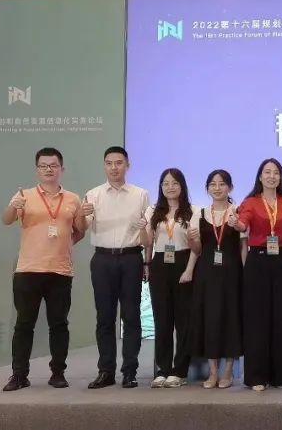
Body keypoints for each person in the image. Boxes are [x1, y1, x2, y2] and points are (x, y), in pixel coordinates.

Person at [1, 147, 84, 391]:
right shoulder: (23, 195)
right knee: (24, 324)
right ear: (37, 170)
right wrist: (13, 206)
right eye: (43, 166)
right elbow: (6, 220)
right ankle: (19, 375)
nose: (49, 169)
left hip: (60, 270)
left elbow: (80, 230)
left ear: (61, 169)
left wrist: (66, 241)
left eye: (53, 165)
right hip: (28, 269)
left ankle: (58, 373)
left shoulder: (73, 199)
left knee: (59, 324)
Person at [77, 146, 150, 389]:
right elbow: (83, 227)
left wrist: (147, 261)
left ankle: (129, 371)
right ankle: (106, 371)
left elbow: (147, 231)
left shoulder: (140, 194)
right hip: (102, 259)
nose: (114, 168)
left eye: (119, 163)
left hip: (131, 258)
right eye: (109, 163)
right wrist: (81, 215)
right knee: (104, 318)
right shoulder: (93, 194)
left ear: (127, 165)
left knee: (131, 316)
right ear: (104, 166)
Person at [239, 159, 282, 391]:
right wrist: (237, 224)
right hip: (258, 261)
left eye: (276, 173)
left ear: (280, 177)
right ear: (260, 176)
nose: (272, 176)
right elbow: (243, 225)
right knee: (257, 319)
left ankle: (280, 376)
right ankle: (256, 377)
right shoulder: (250, 202)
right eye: (267, 172)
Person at [141, 168, 199, 388]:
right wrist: (147, 263)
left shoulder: (193, 211)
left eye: (174, 183)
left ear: (182, 186)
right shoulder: (153, 211)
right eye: (165, 183)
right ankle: (162, 369)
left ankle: (180, 371)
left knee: (184, 321)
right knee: (162, 320)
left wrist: (189, 270)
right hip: (160, 264)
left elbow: (196, 248)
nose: (170, 187)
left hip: (184, 262)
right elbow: (147, 243)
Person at [192, 169, 245, 389]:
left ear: (230, 187)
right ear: (207, 188)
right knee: (210, 320)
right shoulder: (200, 213)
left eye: (222, 184)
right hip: (207, 274)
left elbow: (243, 246)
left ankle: (228, 372)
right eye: (213, 184)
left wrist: (245, 273)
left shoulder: (238, 213)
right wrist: (192, 240)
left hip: (232, 274)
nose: (217, 188)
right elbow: (197, 249)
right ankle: (213, 373)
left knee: (232, 319)